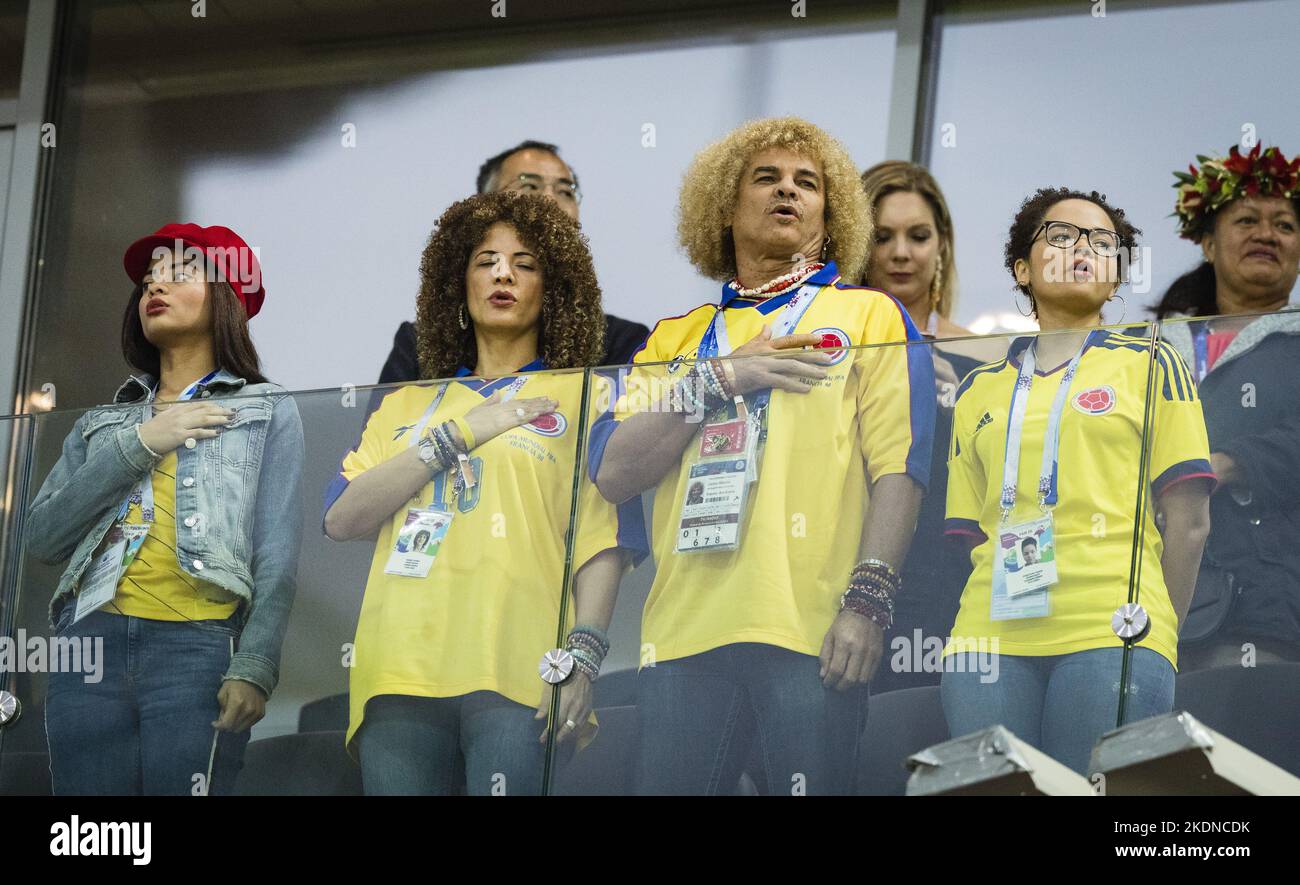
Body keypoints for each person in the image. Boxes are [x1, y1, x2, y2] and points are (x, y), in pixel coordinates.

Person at [590, 117, 935, 795]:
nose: (789, 192)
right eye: (767, 178)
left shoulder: (871, 317)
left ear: (828, 213)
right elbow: (614, 470)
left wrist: (867, 602)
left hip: (814, 633)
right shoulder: (674, 336)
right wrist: (719, 376)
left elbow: (901, 468)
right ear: (724, 205)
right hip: (682, 637)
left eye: (808, 183)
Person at [324, 191, 635, 796]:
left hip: (521, 667)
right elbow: (342, 517)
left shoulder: (586, 395)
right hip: (397, 670)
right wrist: (462, 432)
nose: (502, 274)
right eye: (486, 260)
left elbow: (606, 539)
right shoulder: (405, 402)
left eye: (525, 264)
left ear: (555, 291)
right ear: (456, 286)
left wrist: (585, 658)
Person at [942, 189, 1214, 775]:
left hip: (1111, 628)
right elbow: (972, 536)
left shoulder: (1151, 360)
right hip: (986, 637)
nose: (1082, 249)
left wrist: (1156, 630)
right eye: (1061, 236)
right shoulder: (976, 390)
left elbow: (1190, 523)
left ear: (1117, 276)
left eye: (1102, 243)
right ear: (1022, 267)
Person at [26, 223, 304, 795]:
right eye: (149, 278)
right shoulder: (102, 423)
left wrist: (255, 665)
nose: (155, 285)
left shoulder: (266, 409)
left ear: (226, 294)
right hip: (90, 644)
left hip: (197, 645)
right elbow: (42, 538)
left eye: (179, 274)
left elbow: (276, 551)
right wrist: (142, 442)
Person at [1155, 142, 1300, 669]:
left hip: (1260, 611)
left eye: (1284, 225)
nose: (1266, 233)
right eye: (1246, 220)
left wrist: (1219, 466)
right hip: (1135, 604)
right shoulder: (1150, 349)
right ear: (1209, 245)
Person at [858, 161, 992, 693]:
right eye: (882, 236)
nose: (900, 253)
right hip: (840, 570)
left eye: (918, 236)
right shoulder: (829, 348)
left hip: (949, 574)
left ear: (943, 246)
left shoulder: (986, 355)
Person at [377, 141, 649, 384]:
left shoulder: (620, 344)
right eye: (530, 185)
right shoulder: (419, 346)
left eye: (566, 191)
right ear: (484, 207)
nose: (550, 200)